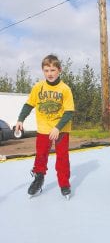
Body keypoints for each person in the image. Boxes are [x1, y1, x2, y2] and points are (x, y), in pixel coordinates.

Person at [15, 54, 75, 198]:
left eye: (53, 70)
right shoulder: (38, 87)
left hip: (61, 130)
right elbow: (29, 104)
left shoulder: (65, 89)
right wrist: (20, 120)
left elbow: (69, 112)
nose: (50, 73)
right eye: (46, 70)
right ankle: (39, 179)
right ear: (43, 71)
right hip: (43, 129)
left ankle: (64, 184)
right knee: (41, 156)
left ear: (59, 70)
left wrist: (57, 128)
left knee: (62, 158)